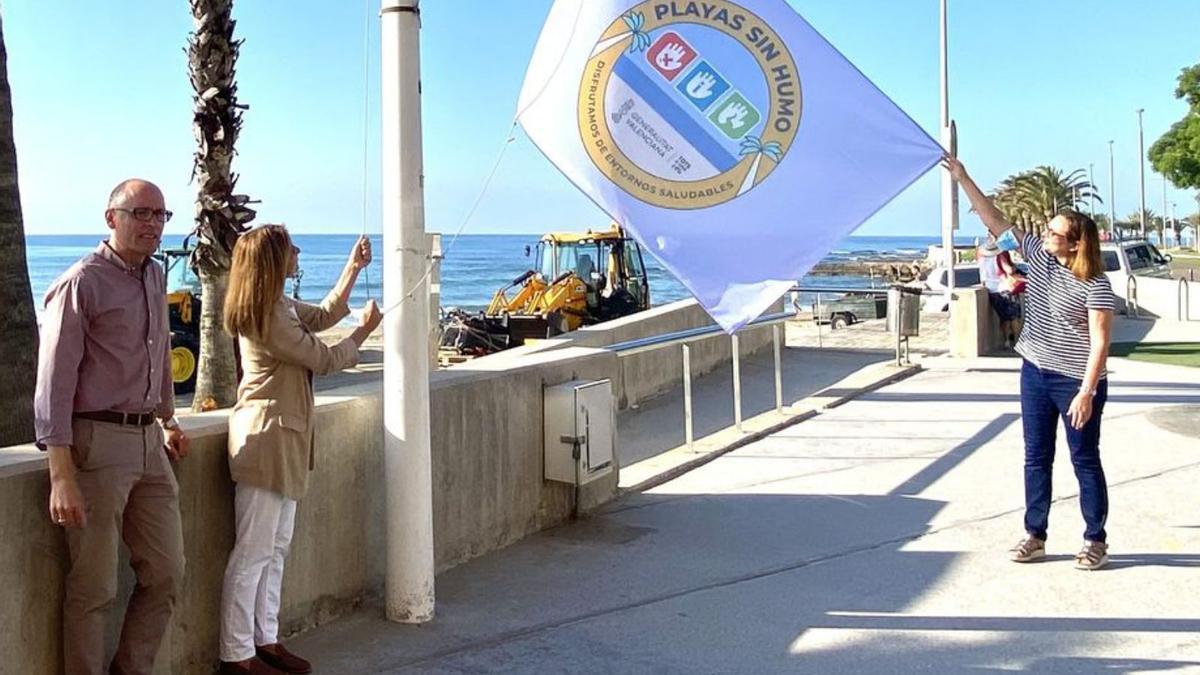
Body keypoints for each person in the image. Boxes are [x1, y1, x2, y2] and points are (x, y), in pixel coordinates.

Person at [35, 179, 190, 675]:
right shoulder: (82, 282)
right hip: (96, 444)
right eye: (140, 213)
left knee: (167, 572)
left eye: (160, 215)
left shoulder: (155, 276)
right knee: (94, 587)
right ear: (111, 218)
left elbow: (158, 353)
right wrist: (61, 475)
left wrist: (167, 418)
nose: (151, 224)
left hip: (149, 442)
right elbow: (53, 384)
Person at [218, 226, 381, 674]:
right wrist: (364, 332)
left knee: (277, 545)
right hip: (267, 441)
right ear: (273, 260)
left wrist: (353, 269)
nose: (298, 252)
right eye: (290, 247)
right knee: (253, 551)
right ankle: (237, 653)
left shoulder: (277, 306)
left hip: (284, 441)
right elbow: (324, 358)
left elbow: (325, 316)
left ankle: (264, 638)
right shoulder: (268, 316)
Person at [946, 155, 1116, 571]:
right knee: (1036, 456)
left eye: (1054, 231)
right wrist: (964, 178)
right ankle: (1035, 534)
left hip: (1076, 382)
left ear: (1075, 243)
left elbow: (1100, 343)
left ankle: (1095, 539)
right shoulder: (1038, 257)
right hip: (1035, 373)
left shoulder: (1096, 284)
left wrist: (1086, 392)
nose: (1045, 233)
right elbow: (996, 222)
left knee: (1084, 460)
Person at [978, 236, 1026, 348]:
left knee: (1004, 318)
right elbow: (1008, 269)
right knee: (1014, 317)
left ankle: (1006, 341)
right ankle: (1018, 340)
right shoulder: (1000, 256)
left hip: (991, 290)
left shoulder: (982, 260)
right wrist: (1014, 268)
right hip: (1004, 287)